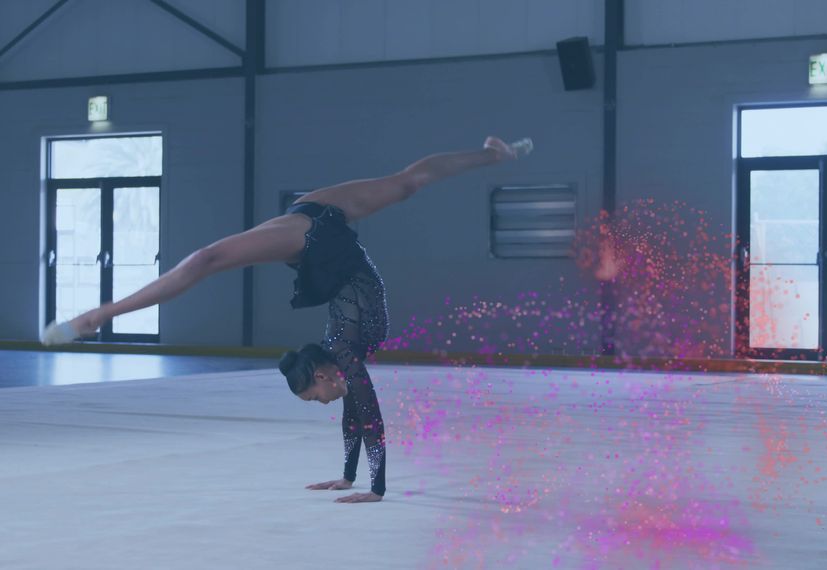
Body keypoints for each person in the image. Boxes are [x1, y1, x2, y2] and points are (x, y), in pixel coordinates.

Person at [42, 136, 534, 503]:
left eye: (314, 395)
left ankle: (100, 315)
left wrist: (375, 488)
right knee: (409, 182)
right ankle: (491, 155)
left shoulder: (341, 350)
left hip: (314, 239)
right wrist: (347, 474)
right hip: (324, 226)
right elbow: (357, 411)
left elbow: (368, 416)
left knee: (206, 261)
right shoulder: (342, 351)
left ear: (323, 374)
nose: (321, 402)